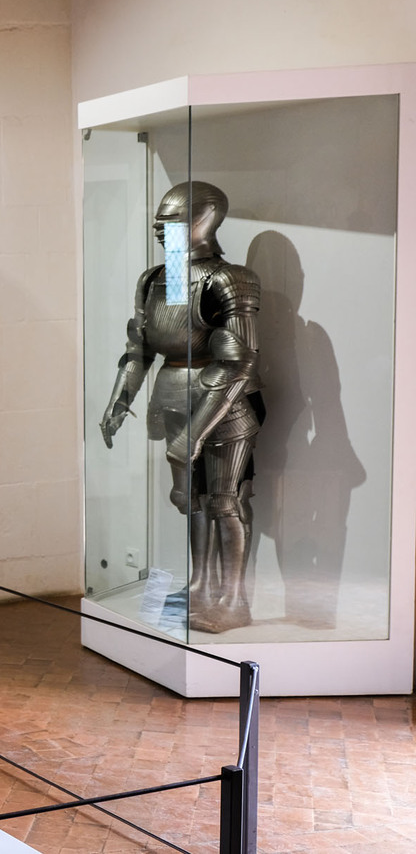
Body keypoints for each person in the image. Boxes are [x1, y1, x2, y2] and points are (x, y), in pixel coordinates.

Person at [100, 181, 263, 633]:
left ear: (204, 220)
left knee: (225, 500)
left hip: (225, 400)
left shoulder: (230, 279)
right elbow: (139, 348)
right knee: (190, 500)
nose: (159, 228)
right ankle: (199, 585)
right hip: (174, 394)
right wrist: (119, 402)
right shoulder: (156, 278)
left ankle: (234, 599)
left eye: (170, 220)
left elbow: (238, 361)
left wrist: (195, 433)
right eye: (158, 220)